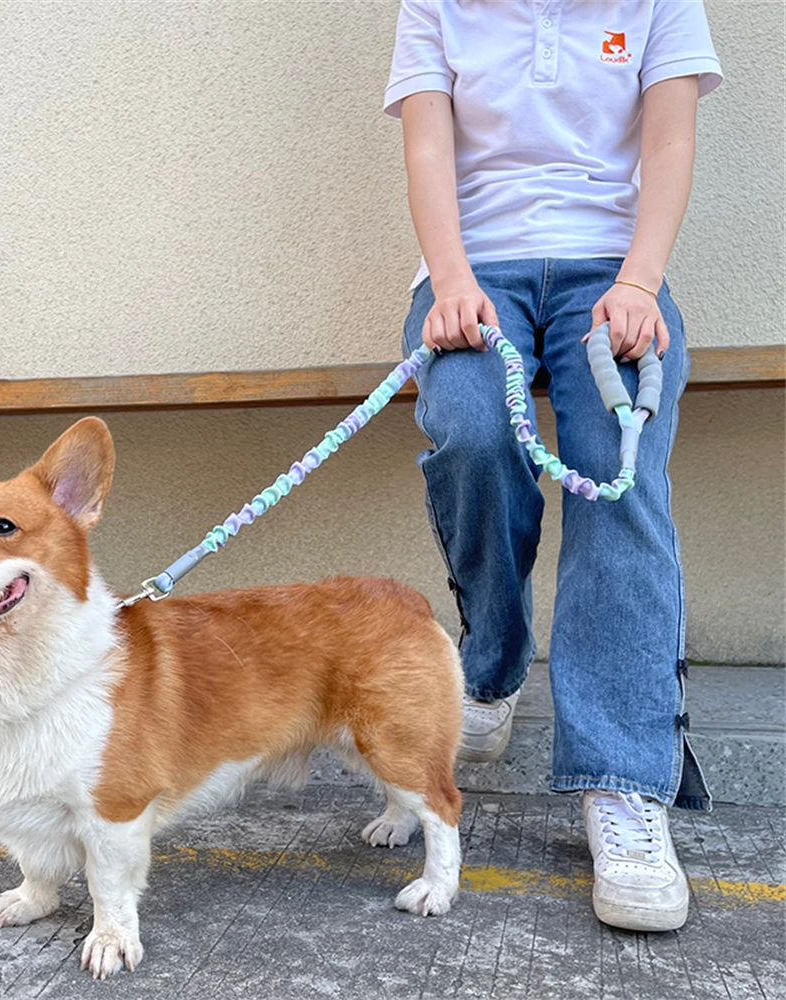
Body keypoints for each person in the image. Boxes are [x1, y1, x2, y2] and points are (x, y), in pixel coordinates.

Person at [384, 0, 722, 932]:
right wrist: (451, 281)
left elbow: (670, 141)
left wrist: (640, 282)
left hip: (613, 270)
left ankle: (621, 781)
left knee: (621, 470)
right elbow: (427, 150)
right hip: (474, 268)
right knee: (470, 428)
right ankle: (489, 671)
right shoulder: (437, 7)